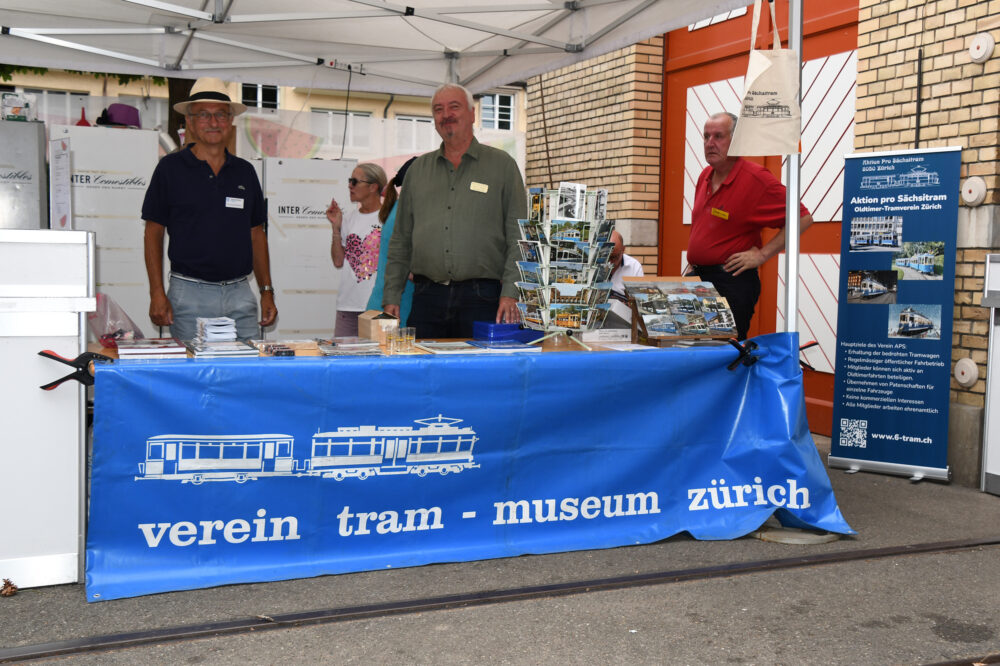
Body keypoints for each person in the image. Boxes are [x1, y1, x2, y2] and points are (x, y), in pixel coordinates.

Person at [382, 83, 527, 339]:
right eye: (439, 109)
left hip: (483, 299)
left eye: (454, 107)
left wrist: (511, 292)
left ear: (472, 114)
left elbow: (519, 235)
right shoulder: (417, 171)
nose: (446, 114)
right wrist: (392, 294)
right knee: (425, 375)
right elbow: (401, 239)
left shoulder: (502, 166)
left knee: (478, 376)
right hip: (427, 298)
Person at [142, 77, 277, 342]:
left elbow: (256, 234)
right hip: (188, 295)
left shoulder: (245, 172)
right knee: (195, 379)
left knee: (246, 376)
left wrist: (266, 290)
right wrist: (156, 293)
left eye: (220, 115)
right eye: (203, 115)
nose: (213, 123)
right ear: (189, 122)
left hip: (240, 293)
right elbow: (153, 233)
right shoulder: (170, 169)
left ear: (230, 122)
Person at [686, 111, 813, 340]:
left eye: (718, 136)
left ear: (737, 141)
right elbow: (703, 229)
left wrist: (762, 255)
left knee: (724, 353)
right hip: (697, 280)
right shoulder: (705, 175)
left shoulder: (756, 179)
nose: (709, 143)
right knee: (694, 348)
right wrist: (692, 265)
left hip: (729, 283)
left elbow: (802, 217)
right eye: (706, 137)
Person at [326, 163, 388, 337]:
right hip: (348, 305)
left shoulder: (389, 217)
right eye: (349, 181)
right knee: (342, 361)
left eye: (354, 181)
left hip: (378, 307)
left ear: (373, 187)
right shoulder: (349, 219)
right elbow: (338, 261)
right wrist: (336, 228)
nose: (349, 186)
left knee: (378, 362)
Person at [366, 157, 417, 325]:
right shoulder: (407, 214)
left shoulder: (398, 208)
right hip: (397, 308)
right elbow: (409, 271)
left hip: (386, 305)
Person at [607, 230, 644, 322]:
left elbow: (640, 302)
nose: (610, 262)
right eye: (607, 256)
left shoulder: (634, 266)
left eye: (614, 257)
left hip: (624, 322)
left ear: (623, 250)